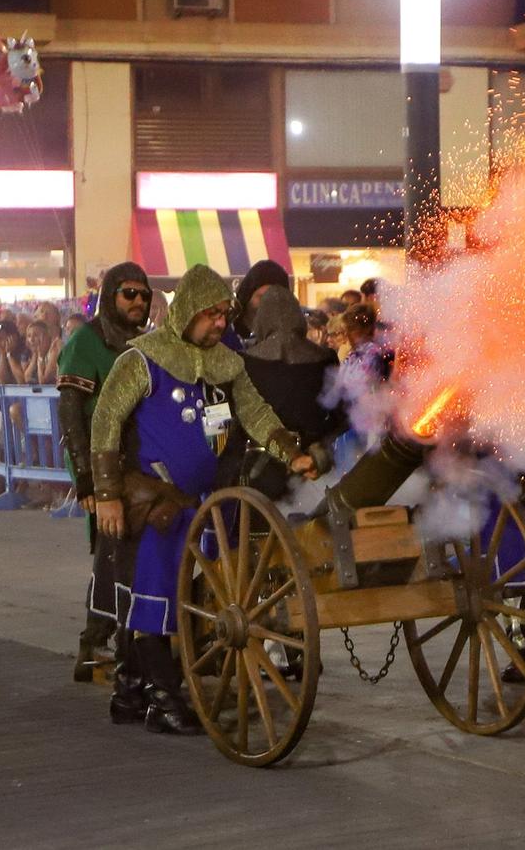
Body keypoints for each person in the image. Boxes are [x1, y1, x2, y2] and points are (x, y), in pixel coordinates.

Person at [91, 265, 316, 736]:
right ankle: (165, 699)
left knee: (187, 596)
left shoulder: (227, 364)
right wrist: (107, 495)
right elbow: (105, 423)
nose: (219, 323)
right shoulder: (141, 361)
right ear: (188, 311)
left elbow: (254, 412)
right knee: (153, 597)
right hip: (157, 503)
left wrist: (290, 454)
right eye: (210, 314)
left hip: (207, 503)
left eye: (223, 314)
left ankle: (131, 689)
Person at [57, 262, 154, 686]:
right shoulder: (86, 342)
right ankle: (94, 645)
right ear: (110, 295)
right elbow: (72, 413)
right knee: (111, 550)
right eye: (128, 293)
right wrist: (86, 479)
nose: (138, 302)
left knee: (128, 551)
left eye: (144, 295)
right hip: (102, 463)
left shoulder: (148, 343)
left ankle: (125, 640)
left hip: (141, 462)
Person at [226, 285, 344, 497]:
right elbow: (340, 416)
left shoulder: (243, 361)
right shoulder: (326, 358)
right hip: (313, 464)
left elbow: (241, 418)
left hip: (262, 470)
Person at [228, 259, 292, 352]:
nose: (269, 303)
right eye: (263, 297)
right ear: (248, 295)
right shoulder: (225, 334)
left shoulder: (288, 339)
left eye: (276, 298)